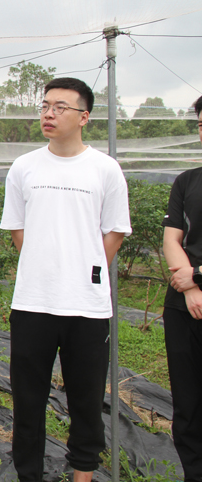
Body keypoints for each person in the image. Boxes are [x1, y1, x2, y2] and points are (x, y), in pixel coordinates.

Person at [0, 77, 131, 482]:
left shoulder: (105, 169)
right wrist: (46, 263)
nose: (49, 113)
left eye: (60, 107)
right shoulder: (24, 167)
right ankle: (29, 475)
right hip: (32, 304)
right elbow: (17, 229)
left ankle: (83, 474)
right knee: (28, 398)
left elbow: (115, 231)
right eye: (44, 106)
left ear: (84, 117)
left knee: (87, 400)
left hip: (86, 306)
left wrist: (83, 266)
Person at [162, 95, 202, 482]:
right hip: (182, 306)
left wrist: (199, 276)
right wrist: (188, 284)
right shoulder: (187, 181)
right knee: (187, 403)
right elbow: (172, 238)